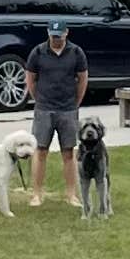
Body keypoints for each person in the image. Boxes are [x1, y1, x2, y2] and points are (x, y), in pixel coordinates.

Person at [25, 26, 87, 208]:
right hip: (44, 108)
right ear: (48, 33)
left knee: (69, 152)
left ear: (66, 33)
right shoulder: (38, 52)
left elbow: (82, 78)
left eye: (59, 36)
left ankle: (71, 195)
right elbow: (30, 77)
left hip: (68, 108)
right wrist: (38, 98)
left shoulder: (76, 52)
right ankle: (36, 194)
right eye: (53, 36)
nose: (56, 39)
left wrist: (76, 102)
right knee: (40, 151)